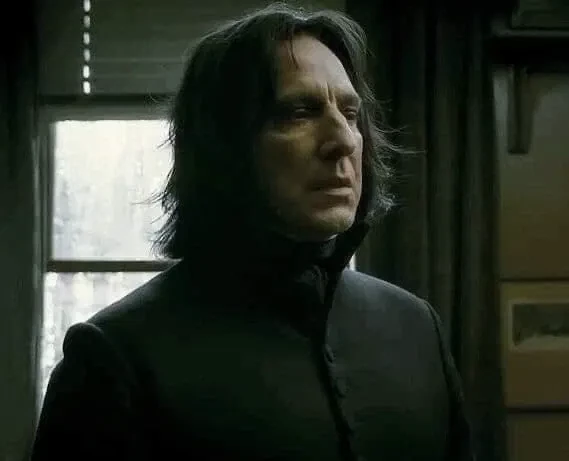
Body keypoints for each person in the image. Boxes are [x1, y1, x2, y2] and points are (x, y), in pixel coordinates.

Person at [31, 3, 475, 460]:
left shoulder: (415, 327)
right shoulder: (115, 358)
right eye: (299, 112)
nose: (343, 140)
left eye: (349, 112)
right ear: (223, 145)